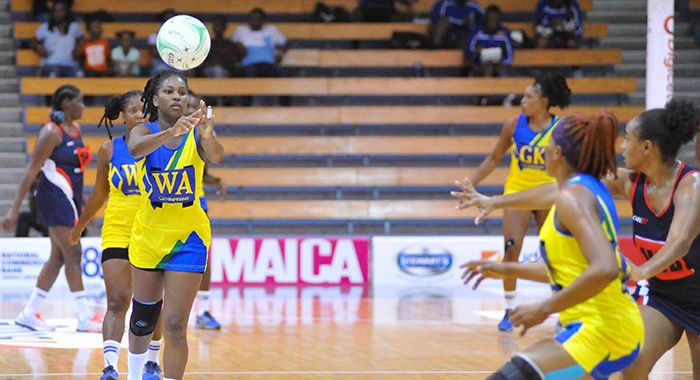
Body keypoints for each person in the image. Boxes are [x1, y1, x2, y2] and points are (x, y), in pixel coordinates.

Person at [453, 99, 700, 379]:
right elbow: (559, 189)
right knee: (634, 359)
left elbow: (680, 242)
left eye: (628, 139)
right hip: (662, 295)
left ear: (646, 147)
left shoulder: (691, 185)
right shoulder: (631, 181)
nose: (621, 146)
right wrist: (494, 201)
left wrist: (642, 270)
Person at [125, 70, 224, 380]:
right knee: (143, 319)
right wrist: (172, 133)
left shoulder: (197, 132)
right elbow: (135, 150)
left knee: (175, 325)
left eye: (182, 91)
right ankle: (133, 375)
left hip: (189, 237)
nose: (178, 96)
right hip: (149, 235)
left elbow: (217, 158)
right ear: (155, 100)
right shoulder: (141, 132)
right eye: (169, 91)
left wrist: (208, 137)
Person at [459, 72, 571, 332]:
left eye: (528, 96)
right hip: (515, 194)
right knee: (511, 250)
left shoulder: (562, 129)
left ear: (543, 101)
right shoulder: (513, 125)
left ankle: (564, 308)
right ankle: (509, 310)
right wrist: (471, 183)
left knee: (556, 254)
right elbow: (493, 158)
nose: (522, 100)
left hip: (549, 195)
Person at [68, 91, 164, 380]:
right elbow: (99, 192)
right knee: (118, 300)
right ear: (123, 116)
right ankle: (110, 367)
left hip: (153, 231)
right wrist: (81, 223)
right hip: (118, 230)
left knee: (150, 304)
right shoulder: (109, 150)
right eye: (133, 110)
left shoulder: (162, 145)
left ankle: (152, 361)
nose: (141, 115)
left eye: (145, 111)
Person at [2, 85, 102, 333]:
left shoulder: (75, 129)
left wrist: (85, 207)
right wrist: (14, 209)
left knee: (57, 258)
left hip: (70, 199)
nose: (83, 106)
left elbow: (73, 173)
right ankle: (84, 316)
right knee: (73, 253)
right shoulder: (51, 132)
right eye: (79, 101)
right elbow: (31, 171)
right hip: (53, 199)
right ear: (66, 103)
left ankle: (28, 313)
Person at [186, 91, 227, 330]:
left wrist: (216, 181)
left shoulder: (201, 134)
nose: (190, 108)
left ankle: (203, 310)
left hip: (196, 204)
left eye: (194, 104)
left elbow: (202, 172)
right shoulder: (161, 132)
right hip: (164, 204)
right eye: (186, 103)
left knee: (204, 260)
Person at [232, 8, 289, 106]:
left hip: (269, 64)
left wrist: (280, 54)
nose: (256, 21)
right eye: (253, 18)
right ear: (249, 20)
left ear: (263, 20)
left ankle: (285, 106)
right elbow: (232, 44)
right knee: (248, 78)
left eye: (258, 18)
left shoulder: (271, 30)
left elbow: (285, 43)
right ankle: (245, 107)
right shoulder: (241, 30)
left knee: (284, 75)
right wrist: (239, 47)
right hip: (250, 65)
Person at [32, 0, 84, 78]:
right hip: (52, 64)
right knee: (53, 75)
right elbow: (34, 42)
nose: (58, 13)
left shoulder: (74, 27)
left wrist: (78, 48)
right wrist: (40, 48)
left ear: (66, 12)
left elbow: (82, 38)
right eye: (56, 10)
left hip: (70, 64)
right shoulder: (45, 27)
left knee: (79, 75)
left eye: (61, 10)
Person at [463, 5, 514, 78]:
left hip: (498, 64)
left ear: (499, 20)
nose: (491, 24)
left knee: (501, 70)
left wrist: (502, 62)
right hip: (479, 65)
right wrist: (476, 51)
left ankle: (504, 87)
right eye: (489, 20)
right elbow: (467, 53)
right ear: (485, 19)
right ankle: (487, 88)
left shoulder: (505, 32)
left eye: (494, 21)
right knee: (488, 67)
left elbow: (509, 56)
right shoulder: (476, 31)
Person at [147, 9, 177, 76]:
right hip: (160, 65)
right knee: (161, 74)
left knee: (188, 73)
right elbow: (156, 54)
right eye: (167, 20)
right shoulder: (154, 37)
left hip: (179, 64)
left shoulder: (182, 37)